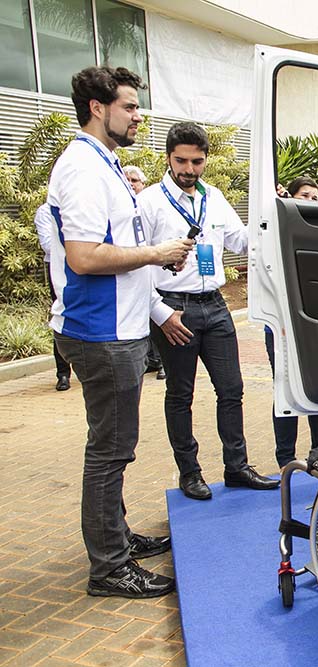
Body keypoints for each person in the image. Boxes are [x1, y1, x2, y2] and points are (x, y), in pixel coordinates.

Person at [49, 66, 194, 598]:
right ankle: (109, 567)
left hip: (122, 329)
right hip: (101, 334)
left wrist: (156, 273)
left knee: (115, 448)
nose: (138, 115)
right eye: (130, 106)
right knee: (109, 451)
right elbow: (84, 256)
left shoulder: (104, 164)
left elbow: (118, 254)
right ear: (97, 107)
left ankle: (117, 539)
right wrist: (156, 253)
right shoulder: (84, 170)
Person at [140, 121, 278, 500]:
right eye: (181, 161)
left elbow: (242, 239)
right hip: (173, 308)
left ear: (205, 160)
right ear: (168, 158)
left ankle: (236, 467)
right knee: (180, 394)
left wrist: (274, 214)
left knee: (232, 389)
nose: (188, 169)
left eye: (196, 161)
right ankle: (190, 473)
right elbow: (136, 265)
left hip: (216, 307)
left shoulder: (213, 197)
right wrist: (160, 314)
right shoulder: (150, 201)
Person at [266, 176, 318, 466]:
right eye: (304, 195)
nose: (310, 201)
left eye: (316, 197)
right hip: (280, 321)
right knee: (285, 386)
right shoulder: (275, 232)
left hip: (313, 320)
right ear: (289, 198)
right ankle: (284, 459)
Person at [124, 165, 166, 381]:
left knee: (158, 319)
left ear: (142, 183)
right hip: (134, 278)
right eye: (127, 180)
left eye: (135, 180)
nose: (130, 183)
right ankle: (150, 360)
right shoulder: (124, 208)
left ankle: (161, 362)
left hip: (156, 276)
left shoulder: (152, 202)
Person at [34, 203, 72, 391]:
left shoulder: (81, 205)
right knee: (61, 313)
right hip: (58, 268)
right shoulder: (45, 211)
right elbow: (48, 245)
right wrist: (80, 247)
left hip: (85, 267)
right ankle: (63, 373)